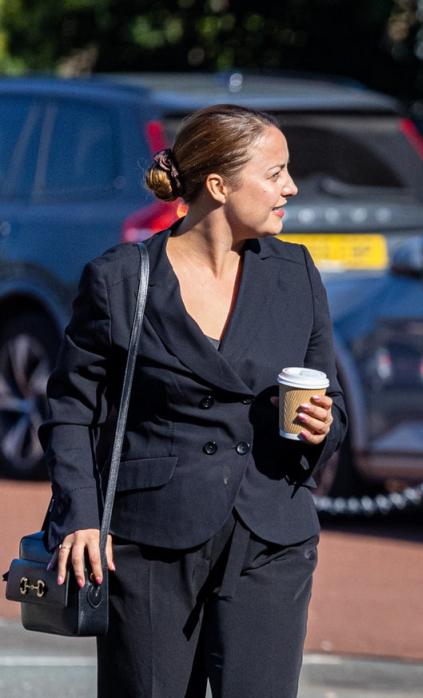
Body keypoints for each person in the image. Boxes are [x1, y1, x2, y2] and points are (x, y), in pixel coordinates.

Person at [42, 104, 347, 697]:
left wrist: (321, 426)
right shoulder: (121, 279)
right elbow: (70, 410)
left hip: (270, 535)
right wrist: (79, 516)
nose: (291, 187)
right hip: (149, 541)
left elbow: (330, 403)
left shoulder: (296, 272)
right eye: (275, 172)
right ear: (218, 186)